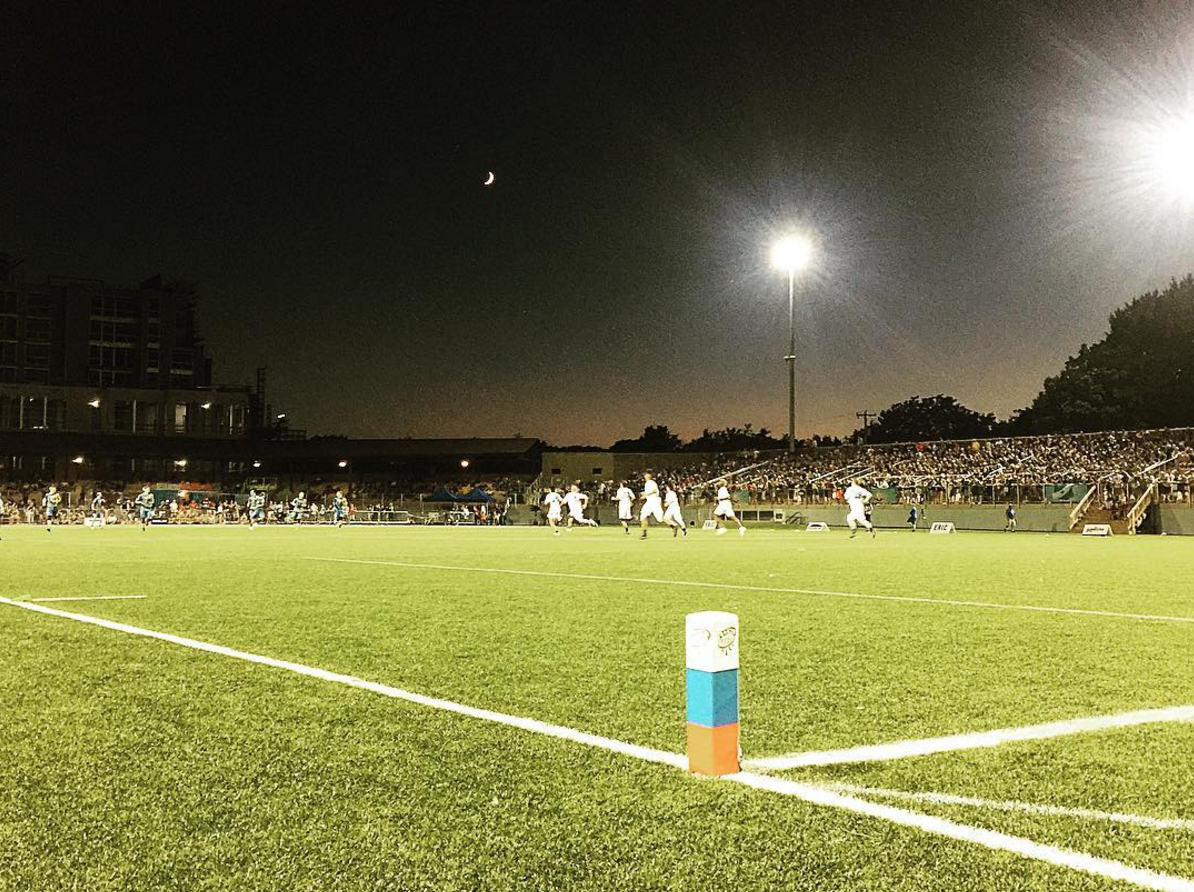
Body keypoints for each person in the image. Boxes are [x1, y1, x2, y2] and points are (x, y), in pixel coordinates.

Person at [638, 473, 664, 539]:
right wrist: (644, 494)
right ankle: (644, 533)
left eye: (645, 476)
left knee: (660, 519)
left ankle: (673, 525)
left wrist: (645, 495)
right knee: (643, 515)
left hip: (654, 501)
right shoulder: (648, 483)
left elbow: (654, 490)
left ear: (647, 477)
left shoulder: (650, 482)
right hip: (650, 501)